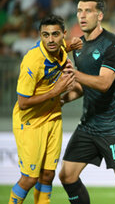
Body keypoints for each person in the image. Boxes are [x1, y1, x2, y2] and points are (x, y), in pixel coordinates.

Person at [58, 0, 115, 204]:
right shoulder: (78, 47)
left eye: (88, 11)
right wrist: (59, 100)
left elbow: (104, 83)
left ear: (100, 15)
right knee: (67, 175)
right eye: (79, 11)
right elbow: (82, 86)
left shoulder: (112, 45)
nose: (82, 15)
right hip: (89, 125)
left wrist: (72, 74)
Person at [9, 14, 75, 204]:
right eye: (45, 35)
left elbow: (65, 46)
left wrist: (75, 44)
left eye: (55, 34)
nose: (50, 40)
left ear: (63, 34)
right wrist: (56, 92)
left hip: (53, 116)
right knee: (30, 178)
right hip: (30, 122)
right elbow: (22, 103)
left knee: (48, 174)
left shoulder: (60, 47)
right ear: (40, 35)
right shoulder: (32, 62)